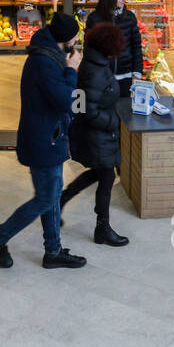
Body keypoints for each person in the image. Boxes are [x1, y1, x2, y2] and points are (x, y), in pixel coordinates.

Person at [0, 12, 85, 270]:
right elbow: (68, 101)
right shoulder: (45, 63)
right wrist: (72, 71)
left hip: (50, 137)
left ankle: (53, 251)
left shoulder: (49, 55)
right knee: (46, 198)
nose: (77, 41)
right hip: (44, 141)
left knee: (51, 195)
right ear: (65, 40)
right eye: (75, 36)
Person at [61, 20, 129, 246]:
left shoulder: (94, 63)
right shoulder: (96, 71)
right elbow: (85, 108)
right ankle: (103, 227)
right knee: (106, 175)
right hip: (97, 134)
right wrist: (113, 122)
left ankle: (60, 201)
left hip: (95, 134)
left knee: (101, 173)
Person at [85, 0, 143, 97]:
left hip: (126, 77)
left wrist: (136, 74)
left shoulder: (129, 17)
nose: (124, 0)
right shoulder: (94, 18)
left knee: (124, 111)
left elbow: (136, 47)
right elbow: (88, 49)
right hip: (102, 76)